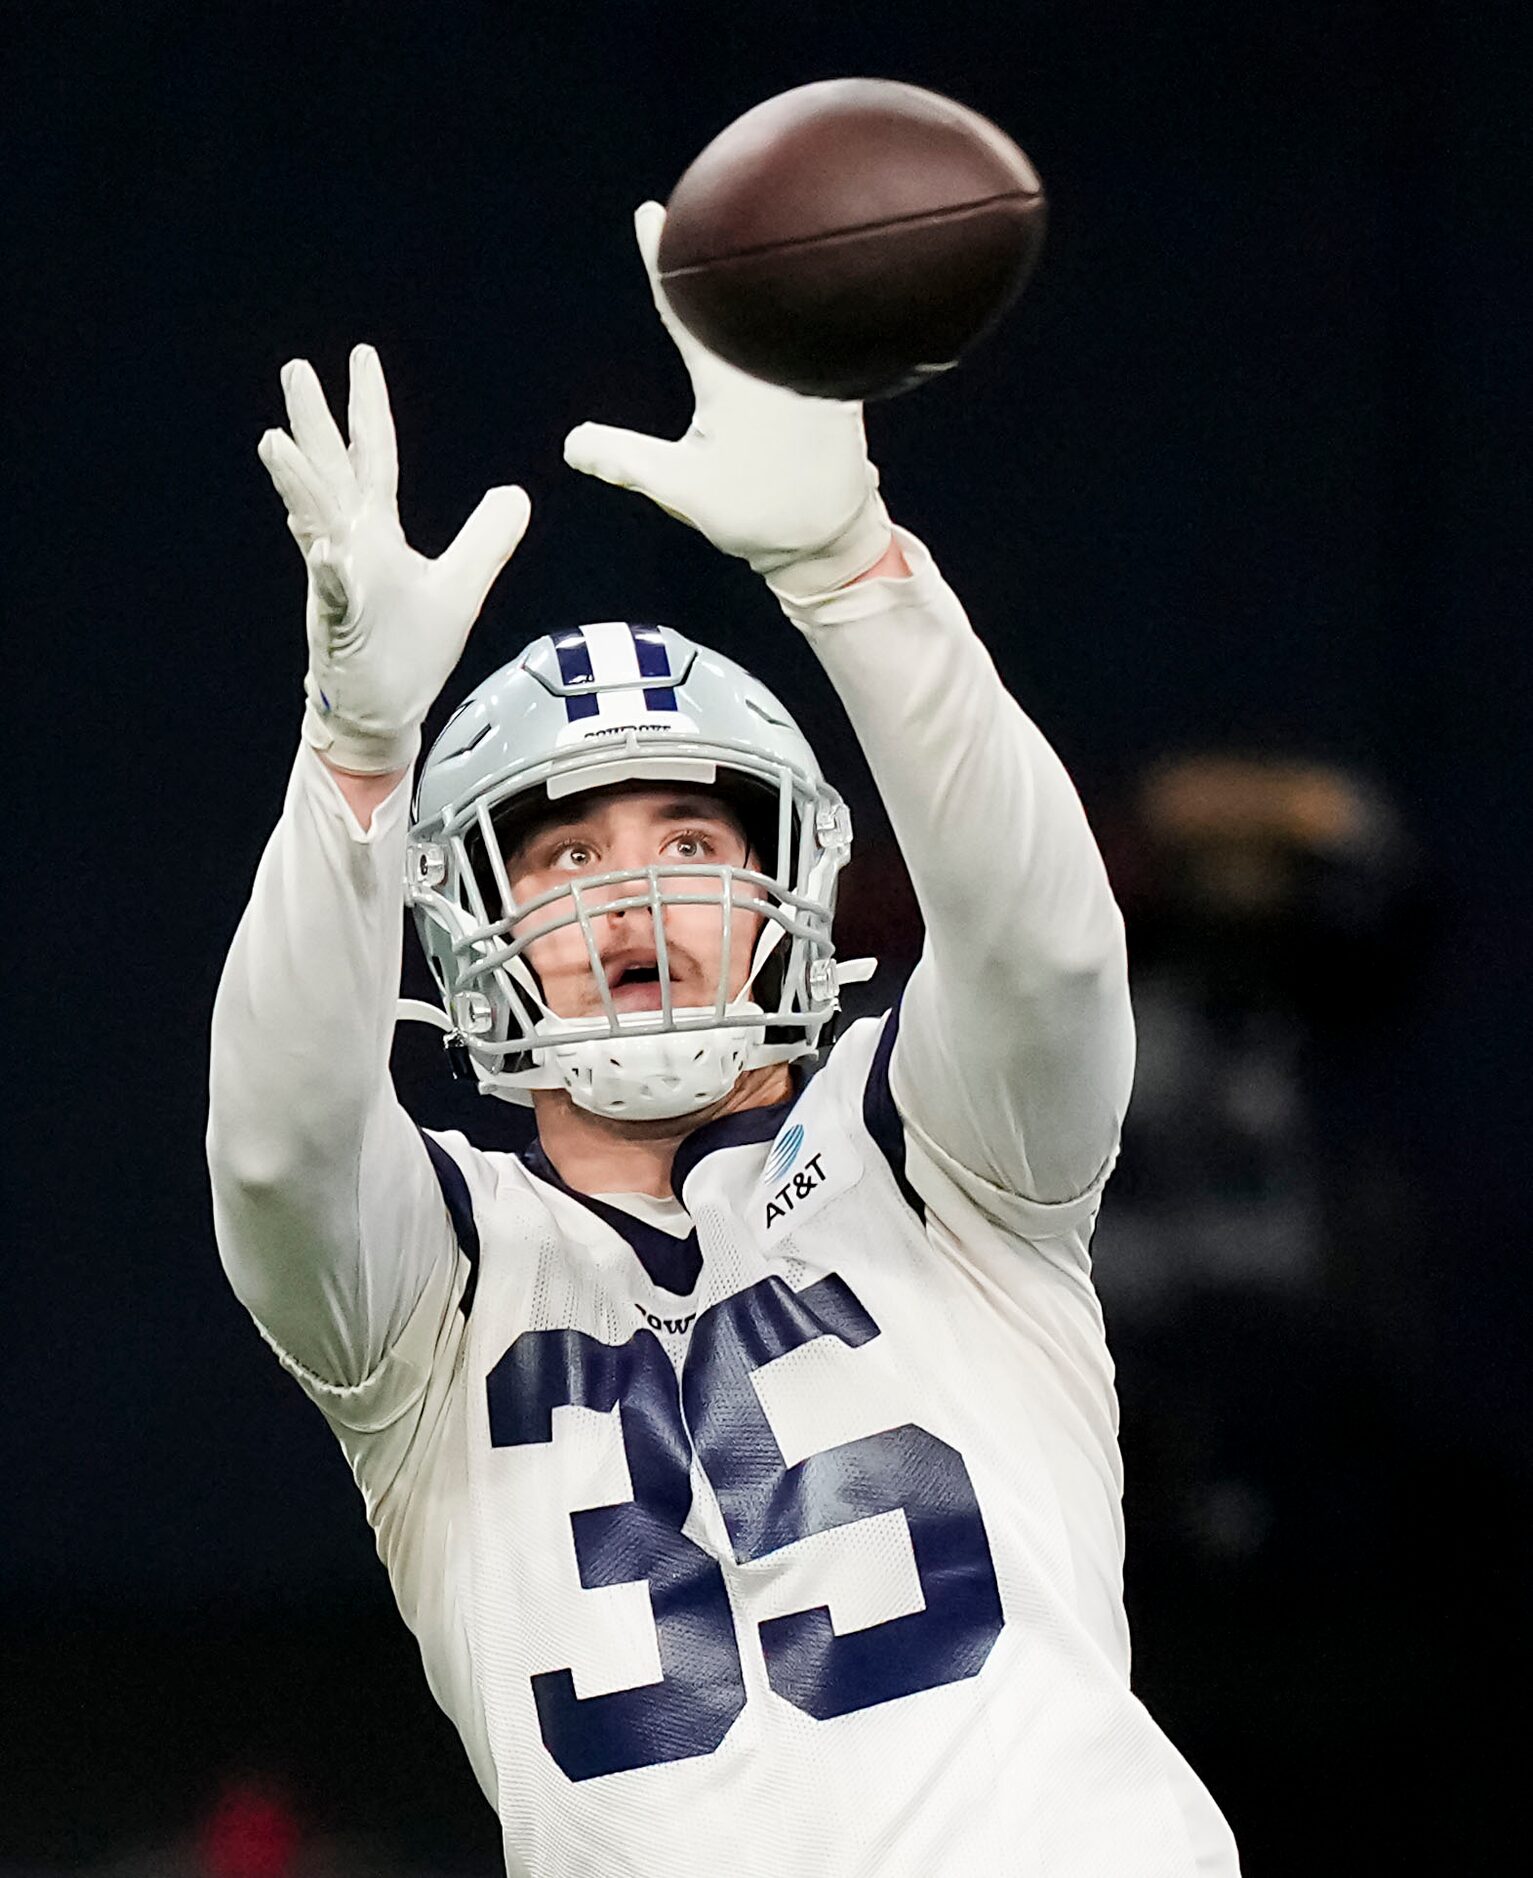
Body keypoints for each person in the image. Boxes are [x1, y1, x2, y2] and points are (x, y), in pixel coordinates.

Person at [208, 203, 1241, 1876]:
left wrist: (855, 579)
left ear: (795, 890)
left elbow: (1045, 949)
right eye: (562, 852)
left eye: (694, 843)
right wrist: (354, 759)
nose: (630, 899)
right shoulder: (432, 1290)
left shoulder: (944, 1162)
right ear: (459, 921)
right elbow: (276, 1143)